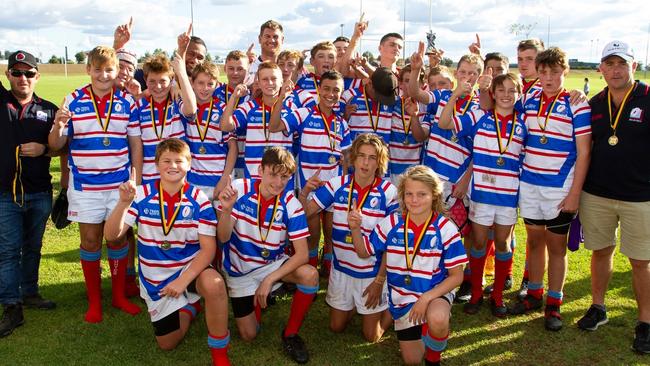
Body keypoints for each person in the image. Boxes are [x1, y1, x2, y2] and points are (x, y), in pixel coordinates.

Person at [104, 138, 231, 365]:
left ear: (189, 164)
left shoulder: (200, 200)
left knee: (215, 284)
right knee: (167, 344)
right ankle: (190, 306)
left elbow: (208, 250)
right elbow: (112, 236)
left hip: (189, 268)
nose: (173, 166)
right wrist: (123, 203)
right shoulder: (140, 194)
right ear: (157, 164)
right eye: (166, 161)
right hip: (156, 277)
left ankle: (220, 356)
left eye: (178, 161)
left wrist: (183, 281)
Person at [48, 46, 143, 323]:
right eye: (98, 69)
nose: (103, 75)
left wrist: (134, 177)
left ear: (117, 71)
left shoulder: (127, 101)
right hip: (86, 186)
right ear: (88, 69)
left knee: (117, 237)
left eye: (109, 70)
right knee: (90, 241)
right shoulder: (73, 101)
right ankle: (94, 302)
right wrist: (58, 125)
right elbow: (56, 145)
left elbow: (135, 143)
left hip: (119, 185)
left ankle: (118, 296)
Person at [508, 47, 591, 332]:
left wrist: (574, 193)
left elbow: (584, 152)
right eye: (543, 72)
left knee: (556, 247)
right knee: (533, 242)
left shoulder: (577, 104)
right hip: (530, 184)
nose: (548, 77)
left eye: (555, 72)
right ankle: (534, 293)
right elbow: (501, 108)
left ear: (564, 72)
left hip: (559, 187)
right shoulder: (529, 98)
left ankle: (554, 303)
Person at [349, 165, 467, 366]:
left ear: (435, 196)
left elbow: (457, 276)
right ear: (402, 196)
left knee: (438, 318)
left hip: (433, 293)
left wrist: (426, 299)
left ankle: (433, 359)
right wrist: (355, 228)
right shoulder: (392, 222)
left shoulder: (445, 228)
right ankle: (422, 327)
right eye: (409, 194)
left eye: (422, 194)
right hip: (402, 298)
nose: (414, 200)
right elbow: (363, 251)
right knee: (412, 361)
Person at [577, 40, 650, 354]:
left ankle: (645, 321)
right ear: (601, 69)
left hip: (640, 195)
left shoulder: (648, 97)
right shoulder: (593, 102)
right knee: (601, 252)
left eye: (622, 63)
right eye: (610, 64)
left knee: (641, 261)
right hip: (598, 193)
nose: (616, 70)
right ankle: (598, 307)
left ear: (634, 66)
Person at [217, 147, 318, 364]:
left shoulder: (291, 204)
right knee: (249, 335)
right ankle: (262, 294)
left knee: (310, 275)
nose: (279, 182)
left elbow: (301, 255)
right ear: (260, 170)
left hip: (272, 266)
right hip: (240, 270)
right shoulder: (238, 189)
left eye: (285, 177)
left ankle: (290, 334)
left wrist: (269, 278)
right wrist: (226, 209)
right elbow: (223, 237)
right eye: (273, 174)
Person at [438, 73, 527, 317]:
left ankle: (497, 296)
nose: (506, 95)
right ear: (493, 93)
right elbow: (445, 124)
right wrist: (456, 94)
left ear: (518, 94)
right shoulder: (479, 116)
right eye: (501, 90)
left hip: (508, 196)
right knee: (478, 243)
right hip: (482, 195)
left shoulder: (524, 123)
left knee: (502, 243)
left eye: (512, 90)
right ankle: (476, 293)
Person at [300, 133, 397, 342]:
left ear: (380, 162)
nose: (365, 162)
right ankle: (355, 305)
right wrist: (305, 191)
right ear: (352, 158)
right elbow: (306, 213)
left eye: (372, 157)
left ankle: (396, 307)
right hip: (342, 269)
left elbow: (393, 243)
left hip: (371, 274)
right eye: (361, 155)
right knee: (336, 327)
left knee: (372, 336)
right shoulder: (337, 184)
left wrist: (380, 281)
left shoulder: (389, 192)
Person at [0, 50, 59, 338]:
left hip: (39, 192)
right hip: (5, 194)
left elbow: (63, 147)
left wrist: (44, 149)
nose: (23, 78)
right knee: (8, 252)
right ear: (7, 74)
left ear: (38, 75)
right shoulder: (1, 102)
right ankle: (12, 306)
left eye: (29, 73)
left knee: (33, 248)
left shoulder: (49, 109)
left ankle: (30, 292)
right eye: (17, 72)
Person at [270, 70, 351, 268]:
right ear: (318, 89)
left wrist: (345, 174)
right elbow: (274, 126)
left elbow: (347, 154)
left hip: (333, 184)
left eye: (336, 90)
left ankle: (328, 267)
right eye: (326, 89)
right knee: (313, 233)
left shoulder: (342, 123)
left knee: (332, 232)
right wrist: (281, 97)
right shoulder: (304, 113)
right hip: (309, 183)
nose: (331, 94)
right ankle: (311, 270)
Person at [137, 53, 186, 183]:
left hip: (176, 177)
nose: (158, 87)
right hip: (148, 178)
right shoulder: (138, 107)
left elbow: (191, 109)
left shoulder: (177, 102)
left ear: (171, 80)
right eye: (152, 81)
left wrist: (178, 80)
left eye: (163, 81)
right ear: (145, 80)